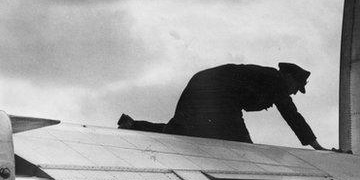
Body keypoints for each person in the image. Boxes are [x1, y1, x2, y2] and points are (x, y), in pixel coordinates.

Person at [119, 63, 330, 149]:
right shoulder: (276, 81)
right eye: (297, 86)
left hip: (202, 84)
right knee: (244, 149)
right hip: (218, 93)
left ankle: (133, 125)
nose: (294, 91)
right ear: (288, 77)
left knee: (183, 130)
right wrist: (316, 146)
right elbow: (291, 115)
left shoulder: (272, 79)